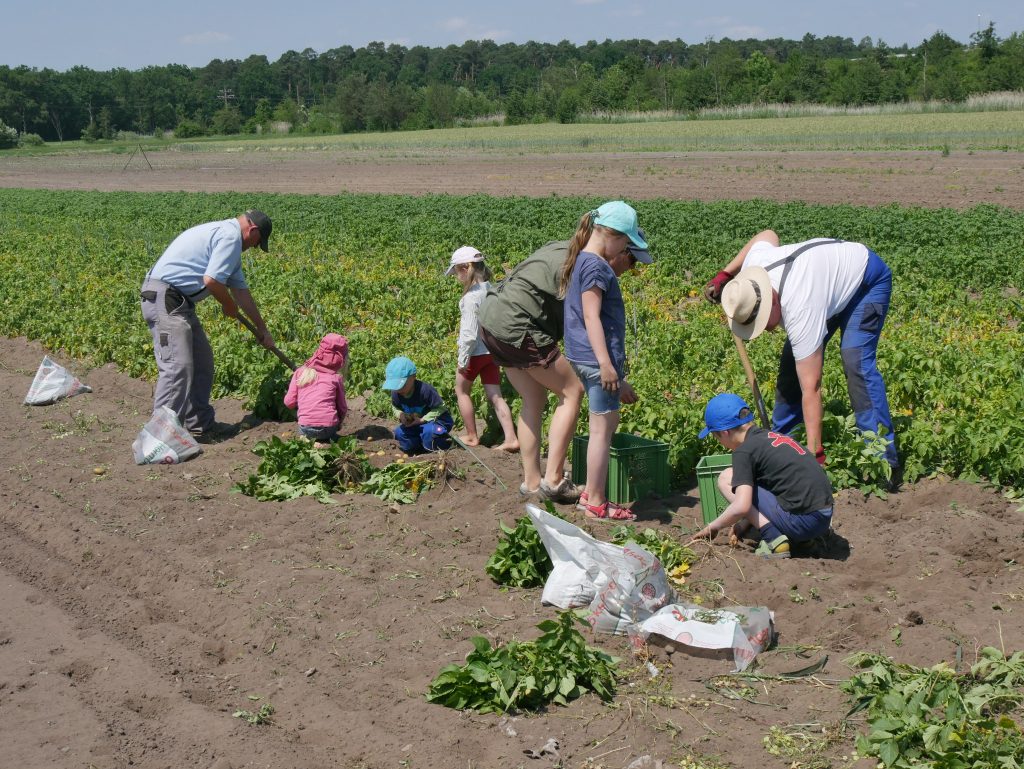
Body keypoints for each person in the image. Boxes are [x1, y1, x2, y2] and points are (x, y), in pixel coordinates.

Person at [704, 230, 899, 485]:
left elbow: (812, 388)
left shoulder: (800, 308)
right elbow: (767, 235)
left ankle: (883, 460)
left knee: (856, 362)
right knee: (789, 370)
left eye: (761, 321)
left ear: (773, 301)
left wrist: (815, 453)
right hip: (825, 286)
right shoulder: (755, 267)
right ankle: (784, 447)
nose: (763, 329)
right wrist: (726, 275)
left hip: (865, 282)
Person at [140, 210, 274, 439]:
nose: (252, 248)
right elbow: (211, 281)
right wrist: (227, 305)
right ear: (253, 231)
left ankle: (199, 424)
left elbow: (241, 292)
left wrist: (262, 329)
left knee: (202, 363)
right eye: (256, 243)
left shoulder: (229, 243)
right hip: (166, 298)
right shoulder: (230, 237)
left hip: (182, 304)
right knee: (177, 366)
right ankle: (159, 437)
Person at [560, 201, 651, 521]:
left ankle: (590, 492)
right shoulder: (597, 265)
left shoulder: (582, 260)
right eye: (626, 243)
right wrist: (606, 365)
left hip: (581, 356)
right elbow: (591, 316)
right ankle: (596, 500)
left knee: (607, 422)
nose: (624, 251)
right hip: (594, 358)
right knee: (602, 429)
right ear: (611, 235)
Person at [476, 240, 583, 503]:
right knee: (572, 390)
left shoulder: (560, 247)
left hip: (491, 320)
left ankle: (532, 483)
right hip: (518, 324)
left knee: (533, 398)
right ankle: (554, 480)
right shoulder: (588, 263)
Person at [692, 393, 834, 558]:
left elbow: (741, 506)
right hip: (823, 517)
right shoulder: (770, 437)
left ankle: (774, 538)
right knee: (759, 481)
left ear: (724, 433)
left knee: (726, 478)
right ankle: (802, 541)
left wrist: (713, 527)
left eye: (716, 436)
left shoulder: (743, 451)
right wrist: (746, 522)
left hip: (803, 522)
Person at [446, 246, 519, 452]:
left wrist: (462, 361)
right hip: (492, 352)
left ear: (465, 268)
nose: (457, 277)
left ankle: (471, 435)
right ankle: (511, 438)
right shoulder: (493, 289)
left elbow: (469, 334)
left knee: (461, 390)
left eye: (457, 272)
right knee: (495, 395)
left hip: (475, 353)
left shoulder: (470, 298)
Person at [283, 333, 349, 447]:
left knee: (304, 434)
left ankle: (307, 441)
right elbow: (342, 408)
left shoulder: (300, 372)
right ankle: (328, 440)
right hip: (328, 427)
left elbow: (289, 403)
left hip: (306, 427)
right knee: (335, 437)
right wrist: (338, 424)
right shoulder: (335, 378)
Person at [382, 356, 454, 455]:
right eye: (395, 386)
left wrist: (422, 420)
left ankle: (440, 446)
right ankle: (418, 449)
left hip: (436, 422)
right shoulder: (396, 393)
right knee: (400, 433)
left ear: (413, 377)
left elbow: (441, 408)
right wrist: (400, 414)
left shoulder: (425, 391)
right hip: (416, 424)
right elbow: (395, 406)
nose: (398, 390)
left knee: (430, 432)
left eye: (401, 385)